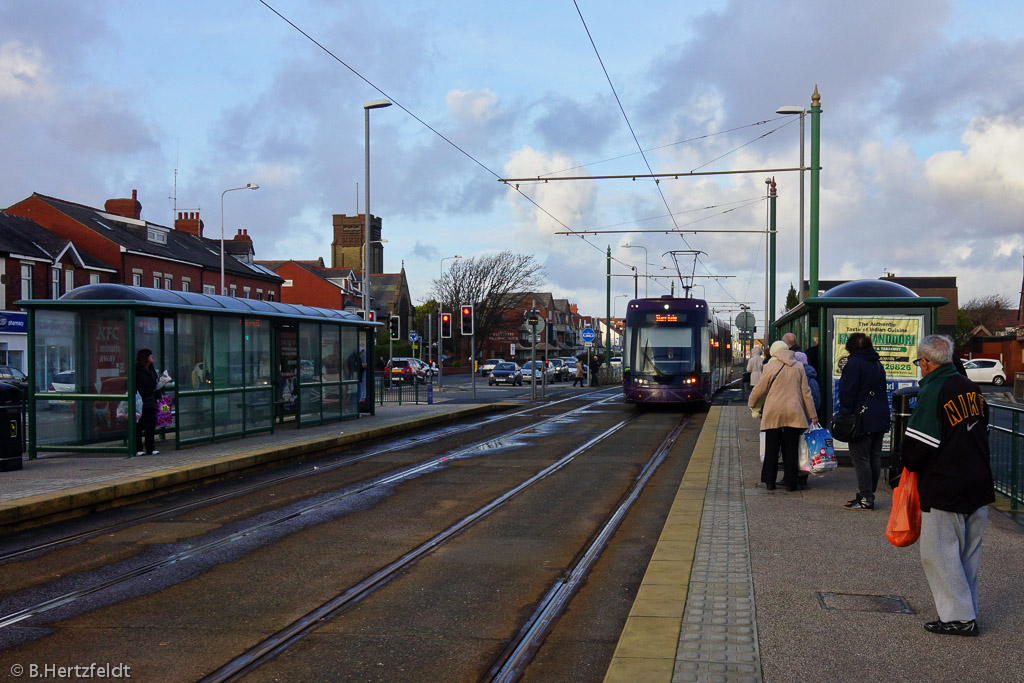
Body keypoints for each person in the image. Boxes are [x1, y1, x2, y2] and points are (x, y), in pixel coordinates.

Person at [902, 334, 994, 637]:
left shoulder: (933, 390)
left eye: (920, 362)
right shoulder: (971, 388)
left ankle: (958, 617)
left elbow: (918, 446)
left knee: (939, 552)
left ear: (927, 363)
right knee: (967, 554)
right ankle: (967, 610)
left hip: (946, 484)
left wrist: (903, 468)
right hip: (979, 481)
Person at [748, 340, 818, 491]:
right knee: (792, 449)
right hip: (794, 411)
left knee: (772, 448)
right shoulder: (799, 367)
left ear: (774, 352)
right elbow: (806, 393)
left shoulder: (769, 367)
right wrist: (812, 414)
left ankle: (770, 482)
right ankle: (791, 483)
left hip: (774, 412)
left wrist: (752, 404)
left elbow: (759, 389)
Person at [835, 332, 890, 510]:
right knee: (874, 457)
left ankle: (866, 498)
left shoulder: (854, 363)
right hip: (880, 416)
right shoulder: (877, 364)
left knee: (861, 459)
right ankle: (868, 495)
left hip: (862, 417)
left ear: (851, 347)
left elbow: (846, 392)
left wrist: (845, 413)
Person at [134, 348, 160, 456]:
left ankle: (150, 448)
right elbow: (132, 385)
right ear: (145, 358)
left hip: (151, 401)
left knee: (150, 425)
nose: (152, 357)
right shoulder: (137, 370)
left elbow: (155, 383)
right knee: (138, 426)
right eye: (150, 356)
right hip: (140, 402)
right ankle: (138, 448)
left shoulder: (152, 370)